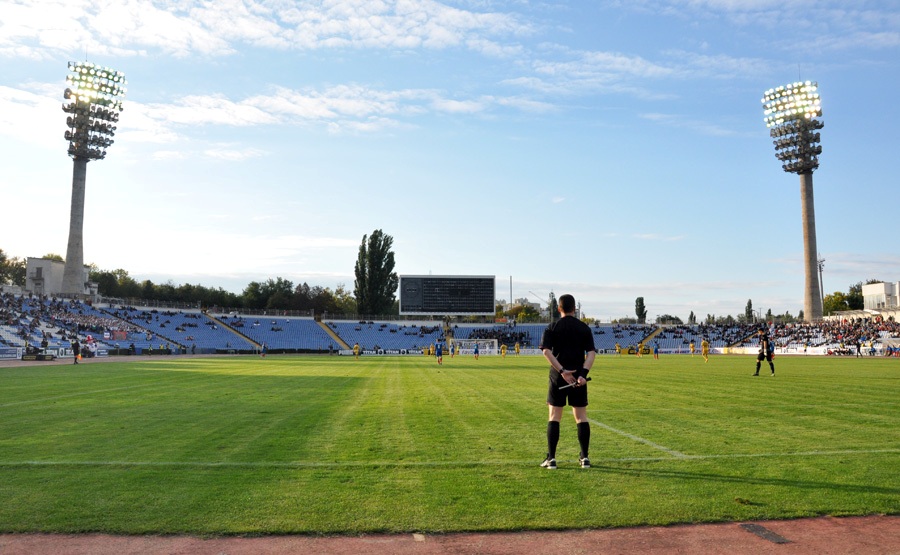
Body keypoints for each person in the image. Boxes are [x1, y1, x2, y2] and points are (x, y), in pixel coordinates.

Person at [539, 294, 596, 470]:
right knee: (581, 417)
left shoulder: (552, 327)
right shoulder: (583, 328)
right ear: (575, 309)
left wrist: (562, 371)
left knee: (554, 416)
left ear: (559, 308)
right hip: (579, 377)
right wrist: (582, 374)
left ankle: (552, 459)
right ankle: (584, 457)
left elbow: (546, 351)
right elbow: (591, 353)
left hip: (558, 377)